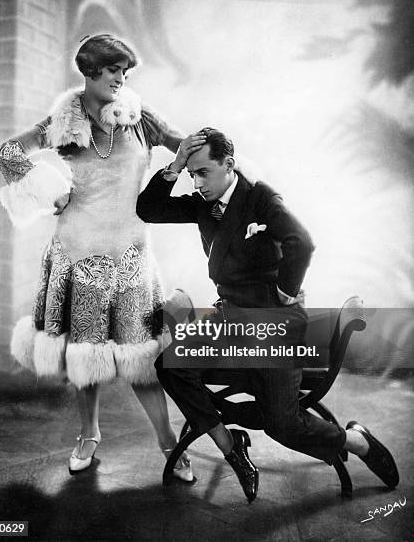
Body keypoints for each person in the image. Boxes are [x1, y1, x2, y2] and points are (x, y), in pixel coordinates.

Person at [136, 127, 399, 502]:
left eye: (203, 172)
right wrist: (175, 166)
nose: (196, 182)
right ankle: (232, 446)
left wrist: (286, 292)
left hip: (274, 325)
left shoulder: (260, 197)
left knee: (283, 425)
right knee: (172, 366)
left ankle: (357, 442)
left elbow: (302, 242)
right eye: (191, 174)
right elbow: (148, 209)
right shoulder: (202, 202)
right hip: (229, 321)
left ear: (229, 164)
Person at [0, 34, 193, 480]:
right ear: (89, 72)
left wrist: (217, 160)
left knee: (142, 359)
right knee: (86, 357)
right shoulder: (62, 122)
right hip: (77, 253)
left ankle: (169, 442)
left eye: (126, 72)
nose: (121, 79)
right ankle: (88, 435)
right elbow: (8, 152)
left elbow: (185, 143)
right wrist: (51, 193)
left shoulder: (140, 118)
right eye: (113, 71)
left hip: (131, 253)